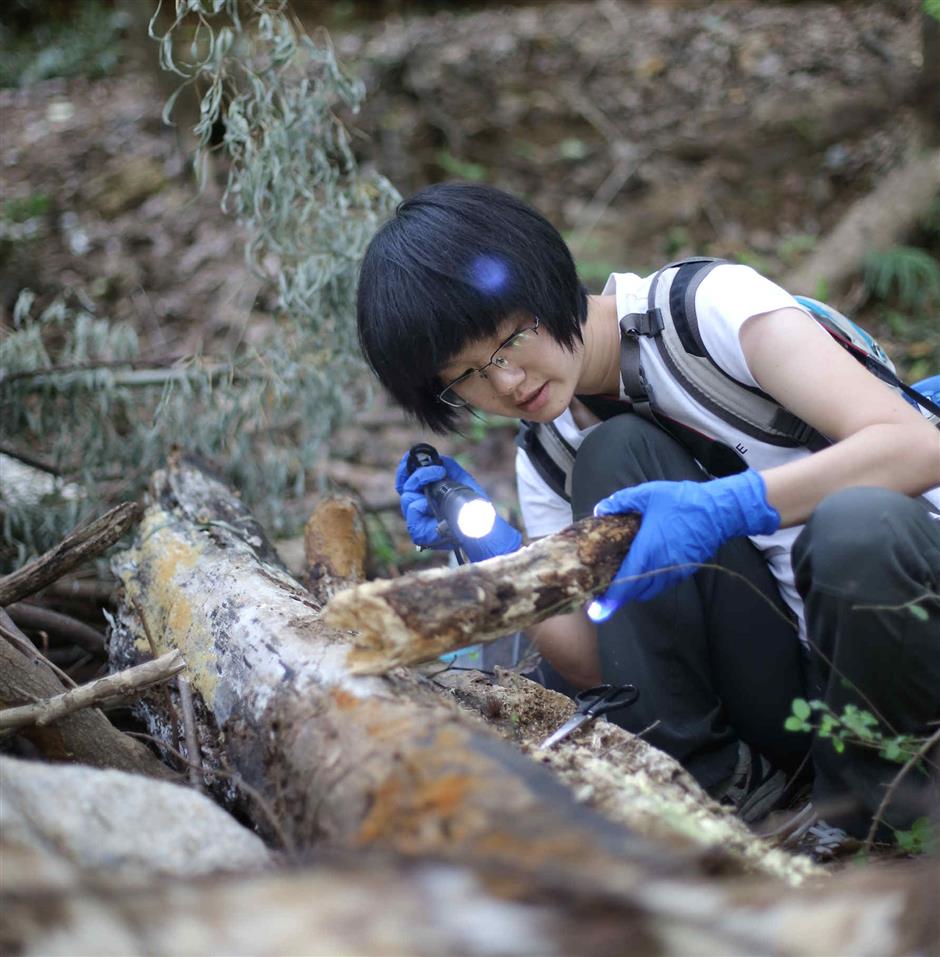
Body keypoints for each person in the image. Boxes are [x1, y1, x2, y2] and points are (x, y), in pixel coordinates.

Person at [356, 181, 940, 851]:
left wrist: (730, 505)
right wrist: (495, 551)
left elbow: (918, 445)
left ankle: (876, 827)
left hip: (908, 626)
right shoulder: (551, 452)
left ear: (547, 277)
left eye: (509, 339)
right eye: (468, 376)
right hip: (803, 692)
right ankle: (721, 804)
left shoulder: (705, 311)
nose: (508, 383)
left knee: (855, 529)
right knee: (615, 452)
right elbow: (592, 659)